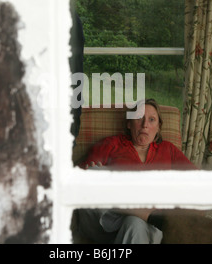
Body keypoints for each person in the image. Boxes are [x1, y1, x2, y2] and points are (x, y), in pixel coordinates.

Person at [75, 98, 198, 244]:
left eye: (152, 120)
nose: (145, 125)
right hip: (103, 224)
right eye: (139, 118)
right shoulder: (111, 144)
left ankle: (140, 214)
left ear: (159, 127)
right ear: (129, 123)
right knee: (93, 174)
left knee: (134, 223)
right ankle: (144, 212)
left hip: (146, 227)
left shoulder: (168, 150)